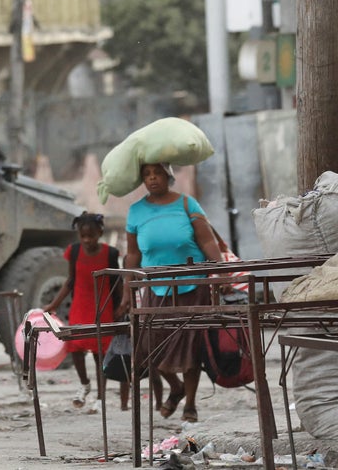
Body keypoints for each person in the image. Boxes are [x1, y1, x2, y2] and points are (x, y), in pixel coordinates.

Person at [117, 162, 223, 423]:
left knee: (189, 347)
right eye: (147, 175)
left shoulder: (188, 205)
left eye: (157, 173)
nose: (152, 179)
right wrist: (127, 292)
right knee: (149, 348)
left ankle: (190, 404)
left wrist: (221, 272)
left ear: (168, 176)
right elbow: (132, 255)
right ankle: (175, 388)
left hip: (192, 286)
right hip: (156, 288)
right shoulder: (136, 211)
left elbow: (207, 240)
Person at [42, 212, 125, 413]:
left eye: (92, 236)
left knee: (100, 356)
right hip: (80, 306)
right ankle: (84, 384)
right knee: (76, 349)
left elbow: (117, 282)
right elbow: (70, 281)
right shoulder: (75, 251)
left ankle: (100, 398)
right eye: (83, 236)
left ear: (100, 233)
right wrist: (53, 304)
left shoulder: (111, 253)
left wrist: (121, 306)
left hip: (102, 309)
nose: (87, 240)